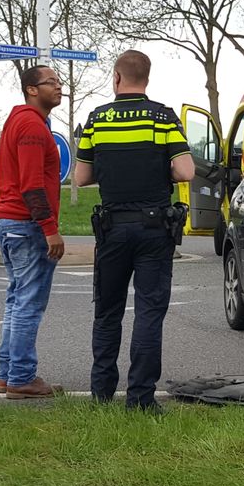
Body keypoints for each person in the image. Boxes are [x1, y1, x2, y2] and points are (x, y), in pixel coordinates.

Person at [74, 50, 194, 413]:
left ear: (116, 77)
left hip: (112, 229)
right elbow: (185, 171)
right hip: (154, 228)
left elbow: (81, 176)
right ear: (147, 77)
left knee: (107, 311)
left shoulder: (96, 119)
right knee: (148, 312)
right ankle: (141, 398)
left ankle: (101, 393)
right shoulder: (163, 117)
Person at [0, 65, 66, 400]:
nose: (59, 86)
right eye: (51, 82)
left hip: (12, 222)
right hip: (27, 224)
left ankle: (8, 375)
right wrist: (50, 229)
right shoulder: (32, 126)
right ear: (31, 89)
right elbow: (32, 185)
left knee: (17, 300)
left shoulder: (22, 121)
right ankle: (22, 377)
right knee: (28, 304)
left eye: (59, 81)